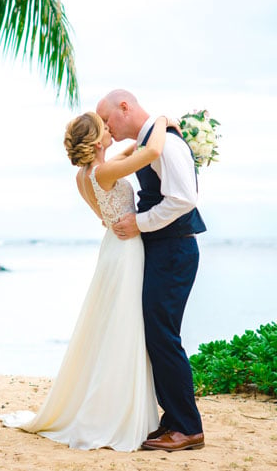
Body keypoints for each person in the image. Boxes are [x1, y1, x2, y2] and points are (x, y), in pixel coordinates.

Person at [0, 111, 173, 451]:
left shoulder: (85, 174)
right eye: (106, 129)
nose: (110, 131)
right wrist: (161, 121)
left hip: (111, 249)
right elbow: (148, 154)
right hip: (127, 250)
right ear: (96, 140)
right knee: (123, 327)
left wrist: (140, 134)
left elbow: (128, 155)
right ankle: (114, 412)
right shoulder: (103, 172)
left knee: (111, 327)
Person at [96, 89, 207, 452]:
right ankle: (173, 420)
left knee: (162, 335)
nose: (107, 129)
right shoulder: (149, 142)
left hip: (174, 249)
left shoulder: (167, 145)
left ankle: (188, 427)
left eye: (108, 120)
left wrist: (139, 223)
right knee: (156, 334)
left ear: (124, 107)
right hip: (163, 249)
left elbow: (183, 199)